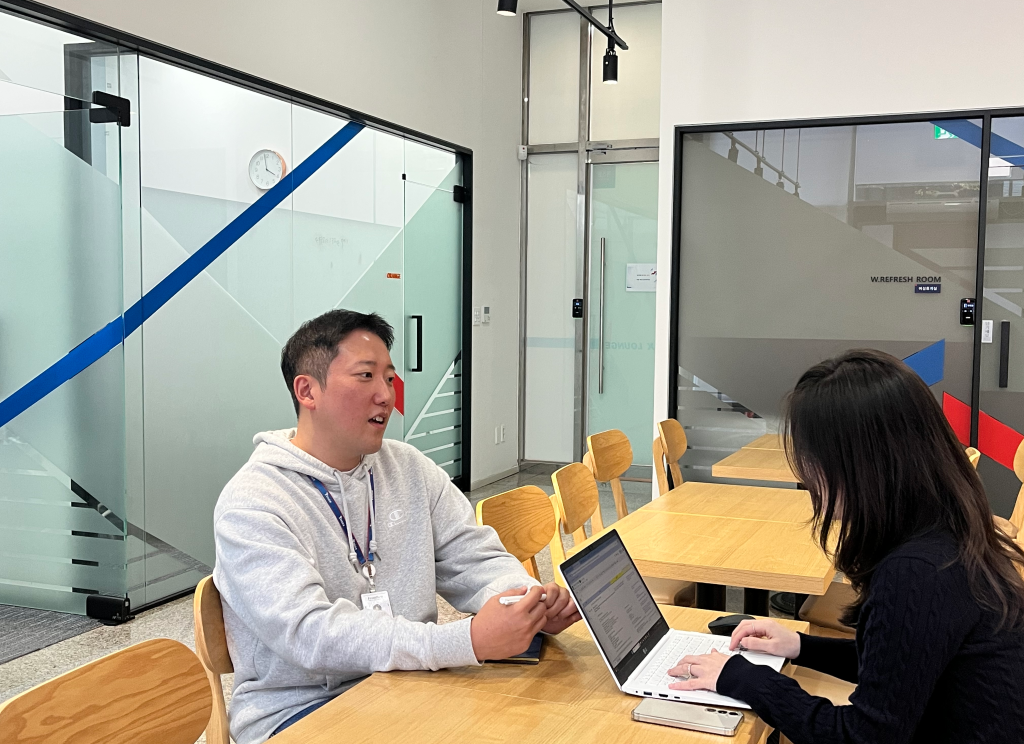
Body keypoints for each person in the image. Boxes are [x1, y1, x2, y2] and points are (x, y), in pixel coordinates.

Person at [213, 309, 580, 744]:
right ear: (307, 390)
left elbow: (474, 558)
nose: (386, 395)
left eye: (389, 378)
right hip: (301, 711)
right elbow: (311, 634)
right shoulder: (253, 502)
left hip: (412, 684)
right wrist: (467, 641)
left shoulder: (408, 467)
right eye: (366, 376)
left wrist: (526, 603)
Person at [666, 349, 1024, 743]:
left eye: (811, 457)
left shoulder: (918, 572)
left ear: (858, 466)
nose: (806, 475)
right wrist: (799, 645)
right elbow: (898, 667)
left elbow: (863, 736)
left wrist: (744, 678)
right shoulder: (950, 535)